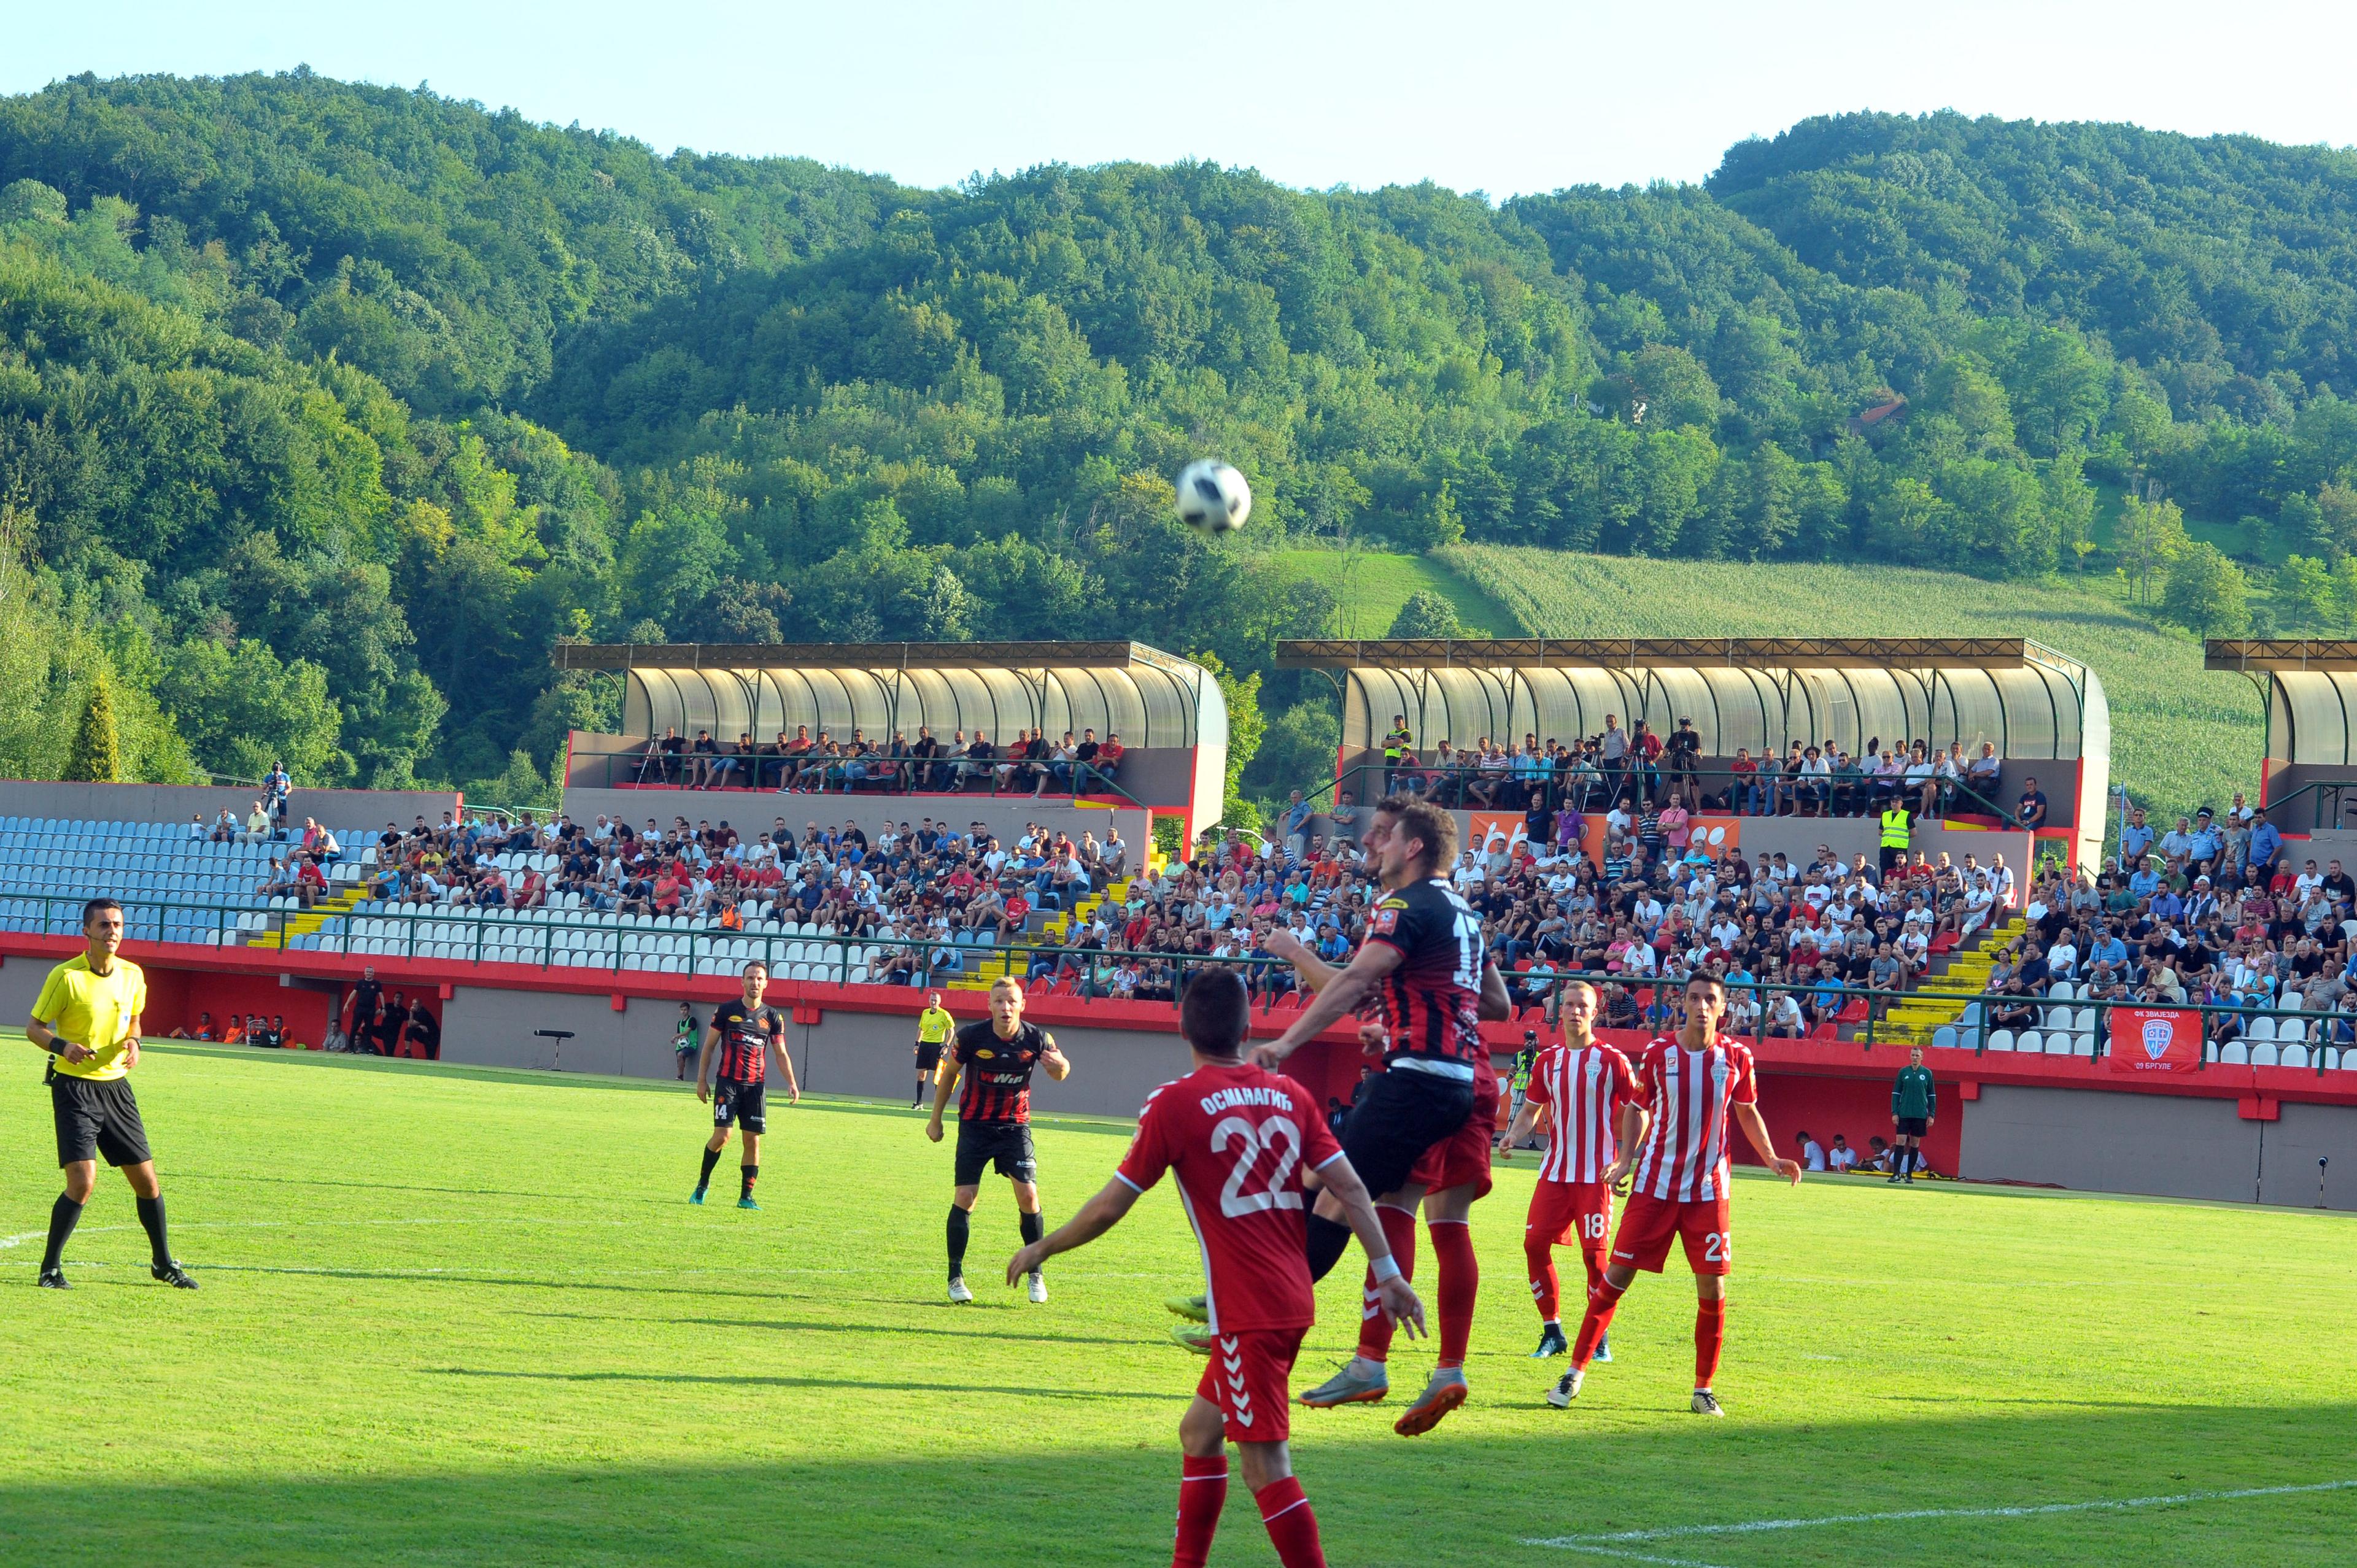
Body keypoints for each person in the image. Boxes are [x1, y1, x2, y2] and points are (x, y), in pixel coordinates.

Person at [1007, 970, 1420, 1568]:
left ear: (1181, 1025)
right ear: (1249, 1027)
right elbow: (1352, 1187)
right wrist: (1387, 1273)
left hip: (1249, 1309)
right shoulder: (1290, 1094)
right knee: (1200, 1431)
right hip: (1289, 1292)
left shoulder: (1174, 1102)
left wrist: (1042, 1247)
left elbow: (1108, 1207)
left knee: (1265, 1464)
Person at [1247, 797, 1510, 1437]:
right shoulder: (1465, 915)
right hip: (1469, 1078)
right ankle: (1440, 1366)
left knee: (1349, 1196)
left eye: (1384, 835)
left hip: (1423, 1076)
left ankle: (1266, 1318)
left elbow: (1349, 983)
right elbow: (1494, 1000)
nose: (1371, 843)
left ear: (1412, 846)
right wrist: (1397, 1021)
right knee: (1441, 1222)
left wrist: (1290, 1002)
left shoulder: (1402, 908)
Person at [1547, 974, 1801, 1417]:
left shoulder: (1737, 1056)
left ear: (1723, 1008)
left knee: (1713, 1287)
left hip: (1708, 1192)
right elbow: (1638, 1108)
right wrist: (1626, 1159)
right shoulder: (1659, 1053)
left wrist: (1773, 1158)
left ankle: (1703, 1388)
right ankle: (1574, 1372)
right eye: (1695, 998)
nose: (1702, 1005)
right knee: (1616, 1278)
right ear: (1683, 1003)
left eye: (1711, 999)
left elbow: (1746, 1110)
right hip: (1654, 1187)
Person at [26, 897, 197, 1290]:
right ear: (86, 931)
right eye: (103, 925)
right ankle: (50, 1268)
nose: (112, 931)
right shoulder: (66, 977)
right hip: (74, 1089)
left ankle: (162, 1263)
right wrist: (61, 1046)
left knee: (147, 1184)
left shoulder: (133, 975)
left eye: (117, 924)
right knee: (83, 1182)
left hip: (117, 1088)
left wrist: (135, 1042)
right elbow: (34, 1027)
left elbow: (134, 1020)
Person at [1495, 981, 1636, 1362]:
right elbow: (1530, 1111)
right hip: (1554, 1172)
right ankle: (1552, 1330)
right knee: (1534, 1246)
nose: (1575, 1011)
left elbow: (1640, 1110)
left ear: (1595, 1012)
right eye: (1569, 1004)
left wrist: (1625, 1160)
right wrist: (1511, 1136)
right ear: (1560, 1011)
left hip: (1595, 1176)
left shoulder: (1612, 1060)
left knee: (1595, 1258)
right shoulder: (1548, 1061)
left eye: (1582, 1005)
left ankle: (1599, 1336)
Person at [927, 976, 1070, 1304]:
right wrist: (935, 1119)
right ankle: (955, 1277)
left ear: (1023, 1004)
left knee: (1029, 1198)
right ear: (989, 1005)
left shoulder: (1038, 1038)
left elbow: (1061, 1071)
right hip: (975, 1126)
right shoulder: (970, 1037)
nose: (1005, 1007)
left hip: (1015, 1127)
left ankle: (1036, 1274)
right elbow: (949, 1074)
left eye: (1011, 1001)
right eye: (999, 1001)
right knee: (965, 1196)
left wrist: (1060, 1066)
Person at [692, 961, 799, 1208]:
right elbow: (708, 1047)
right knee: (723, 1136)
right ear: (742, 982)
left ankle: (746, 1198)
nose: (755, 982)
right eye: (750, 978)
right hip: (727, 1084)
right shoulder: (726, 1010)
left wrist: (791, 1082)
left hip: (755, 1087)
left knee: (753, 1140)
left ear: (766, 983)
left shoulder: (773, 1017)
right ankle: (703, 1184)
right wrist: (701, 1080)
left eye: (759, 978)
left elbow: (781, 1054)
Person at [1890, 1045, 1937, 1185]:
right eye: (1913, 1055)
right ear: (1910, 1057)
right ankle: (1896, 1174)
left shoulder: (1927, 1073)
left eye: (1917, 1056)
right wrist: (1895, 1112)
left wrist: (1931, 1114)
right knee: (1900, 1141)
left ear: (1922, 1057)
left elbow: (1932, 1095)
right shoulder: (1903, 1072)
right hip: (1904, 1113)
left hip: (1920, 1114)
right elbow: (1896, 1093)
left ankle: (1909, 1175)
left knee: (1915, 1144)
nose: (1915, 1058)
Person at [913, 991, 956, 1109]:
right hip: (925, 1046)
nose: (933, 1002)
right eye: (932, 1000)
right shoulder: (925, 1013)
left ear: (940, 1002)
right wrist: (917, 1044)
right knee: (921, 1074)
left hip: (937, 1046)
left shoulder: (944, 1014)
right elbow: (921, 1029)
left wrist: (946, 1046)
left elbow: (951, 1031)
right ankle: (919, 1103)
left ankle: (938, 1105)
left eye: (935, 1001)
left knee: (938, 1076)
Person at [671, 1002, 699, 1081]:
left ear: (688, 1010)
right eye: (682, 1010)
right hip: (681, 1045)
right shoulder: (680, 1023)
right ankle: (680, 1076)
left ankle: (680, 1076)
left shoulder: (692, 1020)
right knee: (680, 1060)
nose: (683, 1012)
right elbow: (678, 1033)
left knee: (680, 1055)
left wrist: (676, 1036)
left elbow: (687, 1032)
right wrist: (675, 1038)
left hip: (691, 1045)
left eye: (685, 1010)